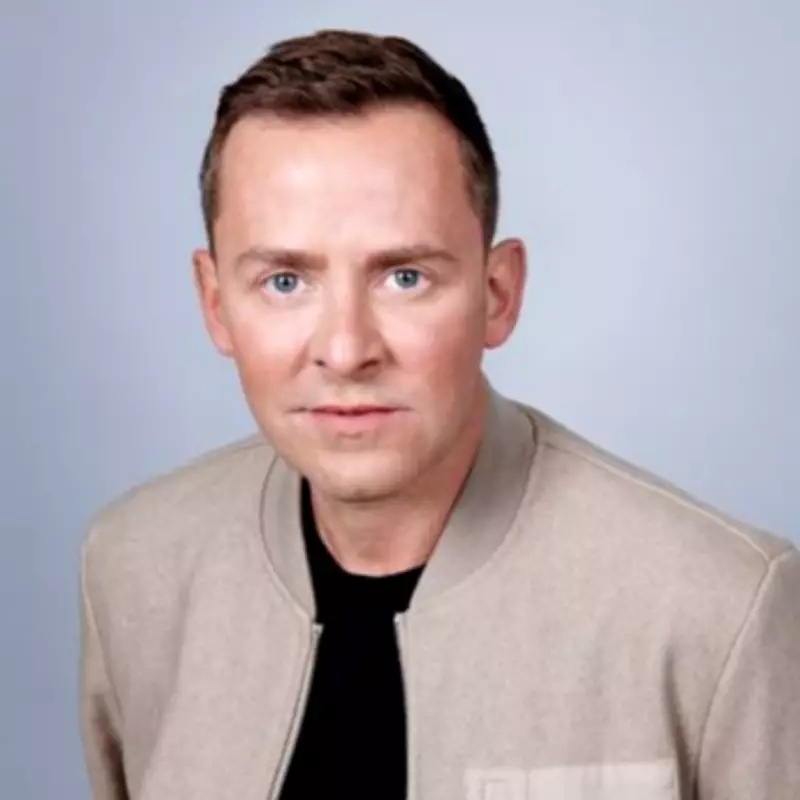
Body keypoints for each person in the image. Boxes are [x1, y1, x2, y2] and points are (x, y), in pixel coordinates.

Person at [79, 28, 800, 800]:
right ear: (216, 304)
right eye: (286, 281)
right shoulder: (134, 569)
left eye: (405, 277)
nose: (346, 350)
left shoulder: (721, 609)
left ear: (498, 294)